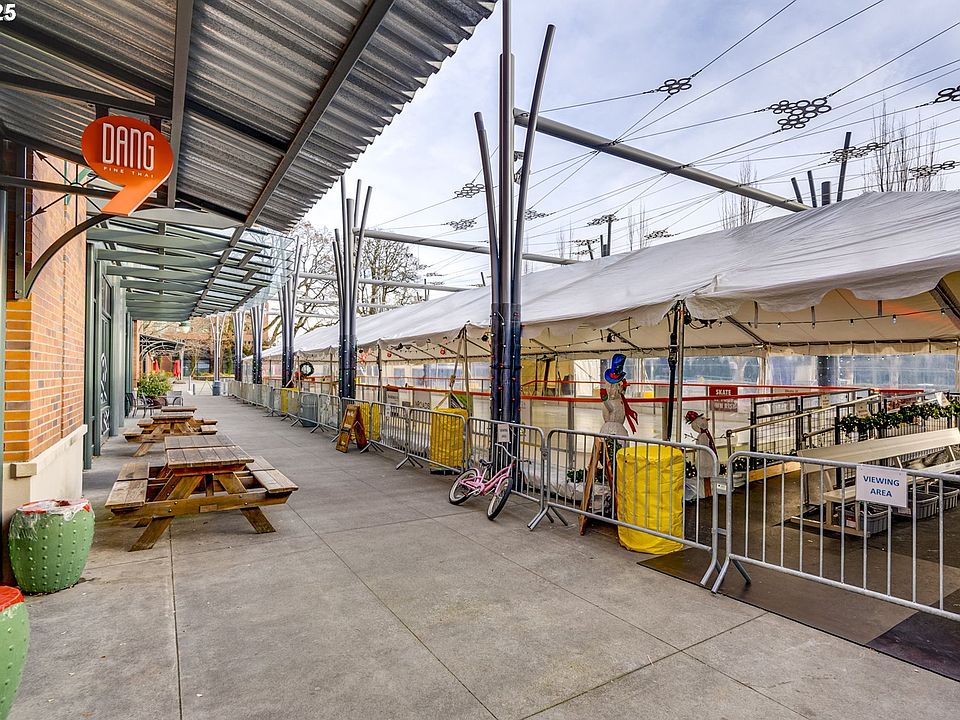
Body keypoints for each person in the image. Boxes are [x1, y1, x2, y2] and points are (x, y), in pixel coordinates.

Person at [684, 410, 716, 500]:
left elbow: (703, 449)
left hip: (705, 460)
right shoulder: (706, 434)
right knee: (706, 480)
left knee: (706, 479)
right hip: (707, 459)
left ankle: (707, 495)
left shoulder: (703, 436)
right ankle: (708, 494)